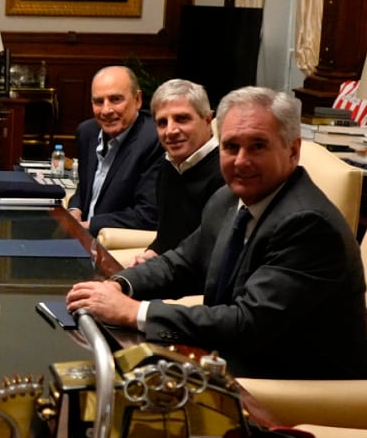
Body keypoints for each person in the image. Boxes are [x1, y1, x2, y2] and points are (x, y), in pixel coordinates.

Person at [67, 86, 367, 379]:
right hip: (230, 355)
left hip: (290, 379)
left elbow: (247, 323)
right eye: (231, 147)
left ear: (292, 150)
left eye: (258, 146)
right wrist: (119, 286)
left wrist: (135, 312)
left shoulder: (307, 224)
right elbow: (181, 263)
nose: (241, 161)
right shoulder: (229, 198)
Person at [131, 78, 224, 264]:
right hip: (168, 269)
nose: (170, 131)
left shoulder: (226, 171)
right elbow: (167, 236)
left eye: (182, 119)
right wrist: (151, 253)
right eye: (162, 123)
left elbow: (211, 254)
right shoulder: (167, 164)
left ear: (207, 120)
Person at [66, 66, 161, 235]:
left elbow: (148, 214)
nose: (106, 110)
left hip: (115, 244)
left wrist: (89, 225)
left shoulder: (154, 139)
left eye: (116, 99)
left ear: (138, 99)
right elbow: (84, 188)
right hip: (81, 238)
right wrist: (75, 209)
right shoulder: (87, 132)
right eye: (98, 102)